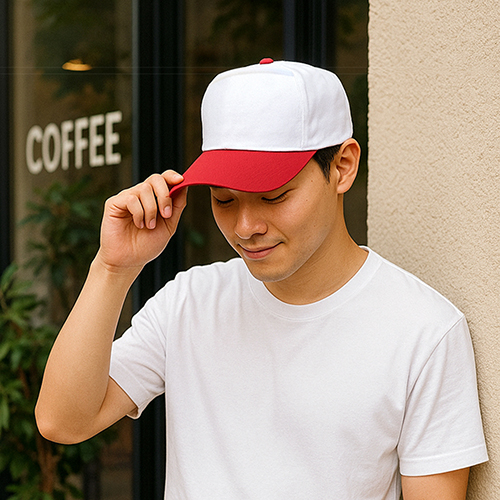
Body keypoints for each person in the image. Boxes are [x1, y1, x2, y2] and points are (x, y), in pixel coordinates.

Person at [36, 59, 487, 499]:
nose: (246, 226)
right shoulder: (190, 302)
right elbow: (63, 421)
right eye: (224, 200)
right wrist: (113, 268)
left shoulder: (425, 331)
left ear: (343, 167)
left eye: (274, 196)